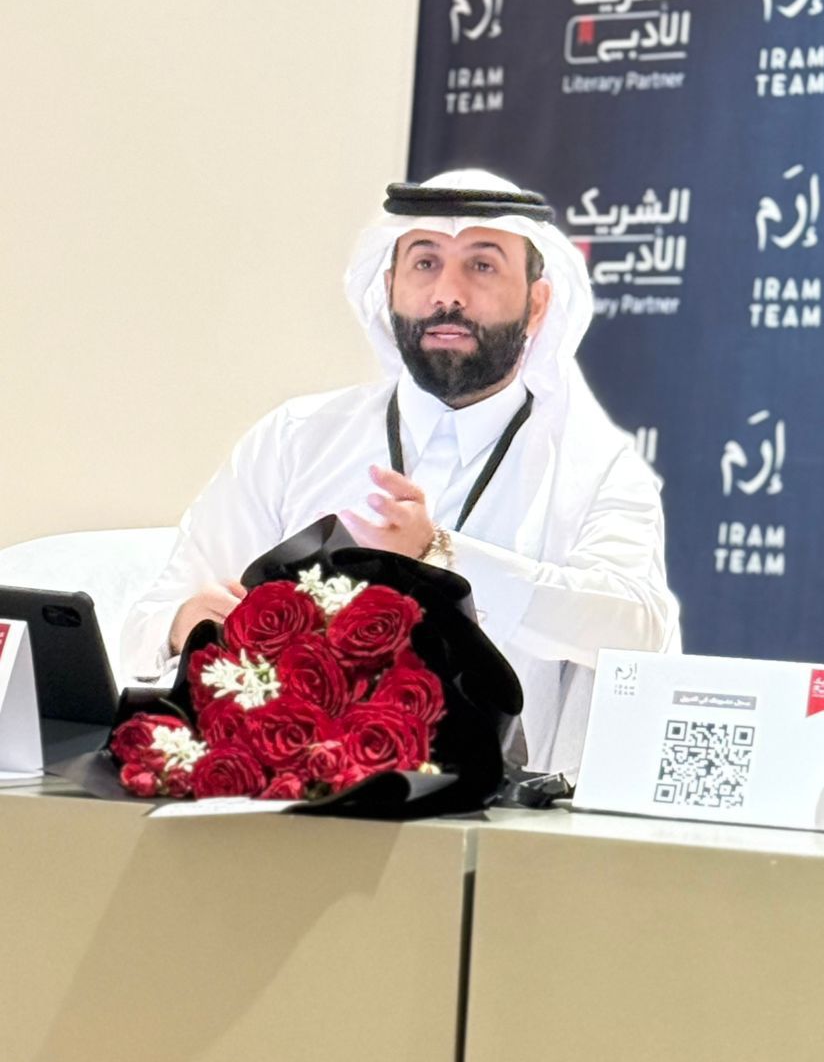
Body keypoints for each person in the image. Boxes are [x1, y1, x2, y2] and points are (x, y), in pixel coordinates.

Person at [121, 169, 679, 776]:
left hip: (490, 808)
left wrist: (440, 556)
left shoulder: (594, 468)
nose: (448, 294)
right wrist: (184, 624)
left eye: (482, 265)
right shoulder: (296, 439)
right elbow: (157, 614)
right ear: (389, 288)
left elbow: (636, 627)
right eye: (424, 263)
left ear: (537, 304)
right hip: (285, 794)